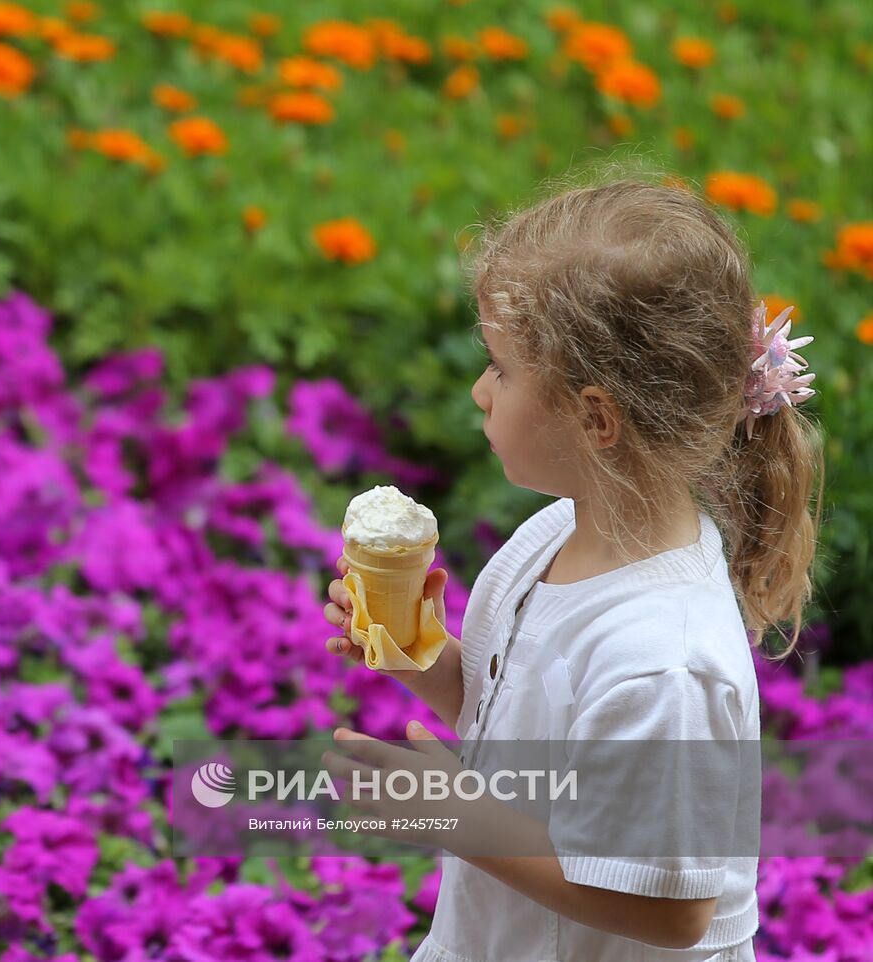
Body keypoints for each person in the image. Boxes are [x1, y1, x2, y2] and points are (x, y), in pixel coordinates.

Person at [322, 171, 825, 962]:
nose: (481, 391)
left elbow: (673, 911)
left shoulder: (666, 664)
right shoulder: (552, 538)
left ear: (595, 417)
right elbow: (519, 721)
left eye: (503, 368)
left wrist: (458, 818)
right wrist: (420, 652)